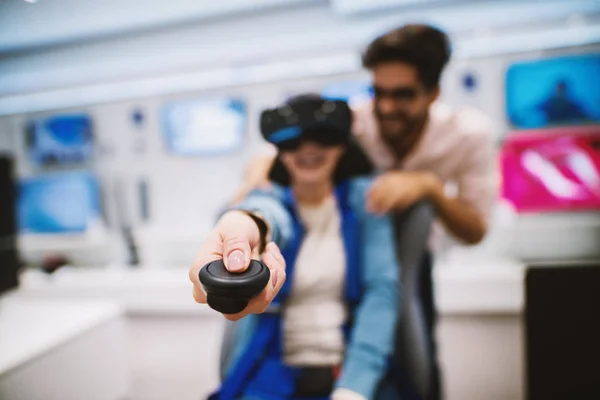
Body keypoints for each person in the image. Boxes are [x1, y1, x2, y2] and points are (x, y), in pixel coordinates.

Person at [232, 24, 498, 399]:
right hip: (334, 263)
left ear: (433, 93)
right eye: (378, 93)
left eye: (403, 95)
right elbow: (279, 155)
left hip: (403, 253)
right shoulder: (354, 120)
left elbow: (475, 230)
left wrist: (430, 189)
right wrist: (256, 187)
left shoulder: (468, 134)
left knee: (413, 349)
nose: (386, 107)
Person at [189, 95, 401, 399]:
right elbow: (265, 214)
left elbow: (382, 292)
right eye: (294, 141)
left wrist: (354, 388)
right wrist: (246, 223)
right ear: (279, 152)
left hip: (348, 368)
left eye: (322, 138)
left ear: (342, 144)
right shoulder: (271, 198)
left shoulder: (366, 201)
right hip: (271, 370)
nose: (308, 149)